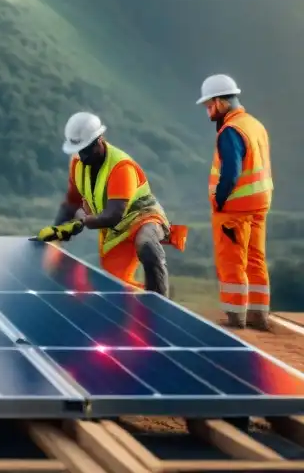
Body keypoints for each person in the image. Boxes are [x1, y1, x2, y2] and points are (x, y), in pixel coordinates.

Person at [38, 111, 187, 295]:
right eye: (79, 151)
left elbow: (114, 214)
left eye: (86, 149)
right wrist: (55, 237)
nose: (82, 156)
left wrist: (83, 221)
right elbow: (71, 203)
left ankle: (161, 304)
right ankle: (151, 295)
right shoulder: (77, 163)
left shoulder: (120, 167)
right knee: (115, 287)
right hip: (116, 232)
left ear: (99, 140)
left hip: (143, 218)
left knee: (146, 244)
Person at [196, 74, 274, 330]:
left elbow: (231, 171)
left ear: (219, 102)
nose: (208, 112)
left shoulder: (230, 131)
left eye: (209, 106)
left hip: (235, 208)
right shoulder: (255, 125)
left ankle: (235, 317)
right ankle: (258, 315)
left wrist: (219, 200)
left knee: (231, 261)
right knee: (255, 258)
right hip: (259, 203)